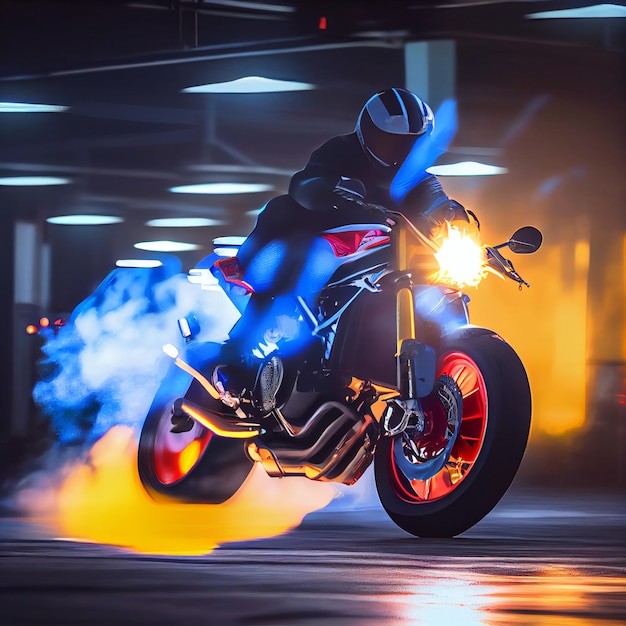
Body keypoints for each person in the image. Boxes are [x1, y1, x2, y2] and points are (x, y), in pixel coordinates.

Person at [209, 87, 469, 418]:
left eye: (411, 143)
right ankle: (235, 360)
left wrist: (456, 218)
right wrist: (325, 189)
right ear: (367, 135)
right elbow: (305, 184)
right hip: (325, 238)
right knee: (287, 235)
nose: (400, 151)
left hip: (379, 257)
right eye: (392, 141)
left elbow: (438, 204)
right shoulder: (339, 151)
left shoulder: (420, 180)